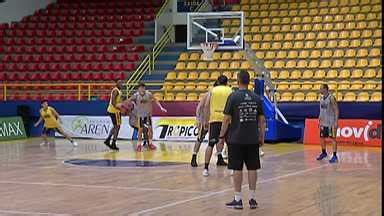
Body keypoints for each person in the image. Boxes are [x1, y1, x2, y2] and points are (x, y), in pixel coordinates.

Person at [218, 70, 265, 210]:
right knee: (252, 167)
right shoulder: (256, 98)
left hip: (235, 139)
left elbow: (226, 119)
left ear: (238, 81)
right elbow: (262, 121)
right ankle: (252, 198)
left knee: (237, 168)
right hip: (252, 138)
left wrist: (221, 137)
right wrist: (261, 136)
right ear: (249, 81)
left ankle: (238, 199)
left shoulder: (233, 97)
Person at [202, 75, 232, 176]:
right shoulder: (230, 90)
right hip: (226, 119)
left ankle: (206, 168)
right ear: (226, 82)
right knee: (230, 144)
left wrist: (206, 120)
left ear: (218, 82)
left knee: (210, 144)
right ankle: (232, 168)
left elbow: (206, 105)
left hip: (214, 119)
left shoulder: (212, 90)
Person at [129, 83, 167, 151]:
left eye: (143, 88)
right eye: (141, 88)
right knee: (140, 130)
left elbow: (155, 100)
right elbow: (129, 100)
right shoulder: (136, 95)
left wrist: (161, 107)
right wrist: (124, 105)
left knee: (150, 129)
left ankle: (150, 143)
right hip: (140, 115)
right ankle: (138, 145)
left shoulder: (148, 94)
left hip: (148, 115)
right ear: (138, 89)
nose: (142, 89)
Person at [190, 80, 220, 167]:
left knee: (216, 139)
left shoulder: (217, 95)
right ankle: (194, 156)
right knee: (200, 138)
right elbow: (199, 107)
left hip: (213, 119)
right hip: (205, 120)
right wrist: (199, 119)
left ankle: (219, 157)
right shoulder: (209, 94)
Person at [316, 84, 339, 163]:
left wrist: (336, 121)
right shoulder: (321, 98)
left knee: (333, 138)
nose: (320, 90)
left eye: (321, 88)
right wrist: (319, 119)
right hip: (323, 121)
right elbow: (321, 110)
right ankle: (323, 152)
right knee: (322, 138)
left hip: (331, 122)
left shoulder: (331, 98)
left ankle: (335, 156)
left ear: (325, 89)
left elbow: (336, 110)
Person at [104, 80, 124, 151]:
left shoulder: (119, 91)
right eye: (120, 83)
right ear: (116, 84)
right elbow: (113, 102)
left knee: (115, 126)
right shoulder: (115, 91)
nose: (121, 84)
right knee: (117, 127)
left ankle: (108, 140)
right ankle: (113, 143)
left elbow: (119, 101)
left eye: (122, 83)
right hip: (114, 111)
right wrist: (120, 109)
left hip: (113, 110)